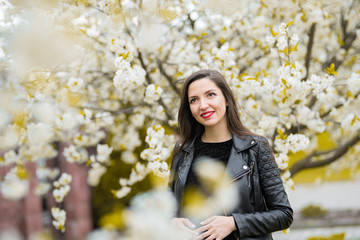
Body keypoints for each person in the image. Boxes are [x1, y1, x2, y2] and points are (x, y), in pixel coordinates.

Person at [169, 69, 293, 240]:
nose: (203, 105)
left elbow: (283, 214)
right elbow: (169, 208)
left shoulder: (256, 148)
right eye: (194, 100)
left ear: (226, 99)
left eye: (210, 95)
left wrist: (234, 223)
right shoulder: (182, 150)